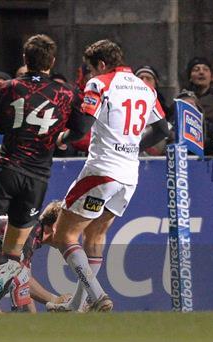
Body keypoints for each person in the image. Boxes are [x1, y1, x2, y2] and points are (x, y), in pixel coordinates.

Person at [0, 34, 92, 313]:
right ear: (52, 62)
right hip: (38, 179)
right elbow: (80, 129)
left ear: (24, 59)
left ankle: (3, 269)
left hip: (9, 169)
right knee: (14, 251)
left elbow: (4, 127)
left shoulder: (7, 87)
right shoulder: (66, 93)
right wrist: (60, 136)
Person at [49, 39, 169, 312]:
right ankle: (77, 305)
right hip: (128, 176)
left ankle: (98, 295)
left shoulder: (100, 83)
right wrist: (132, 144)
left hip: (102, 170)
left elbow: (83, 126)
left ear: (101, 65)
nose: (90, 75)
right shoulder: (145, 87)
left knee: (62, 235)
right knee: (94, 234)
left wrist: (65, 138)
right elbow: (162, 129)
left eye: (91, 69)